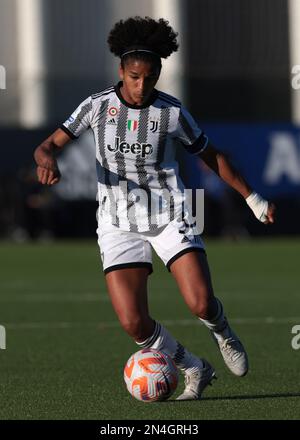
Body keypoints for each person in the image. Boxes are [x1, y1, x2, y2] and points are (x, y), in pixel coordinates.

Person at [34, 16, 276, 401]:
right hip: (117, 222)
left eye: (149, 78)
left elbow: (212, 157)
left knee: (199, 301)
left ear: (159, 73)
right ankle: (193, 366)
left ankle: (223, 333)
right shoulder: (95, 107)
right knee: (134, 324)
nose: (141, 86)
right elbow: (48, 144)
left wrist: (252, 197)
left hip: (169, 214)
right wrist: (46, 158)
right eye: (134, 77)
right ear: (121, 71)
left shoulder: (172, 113)